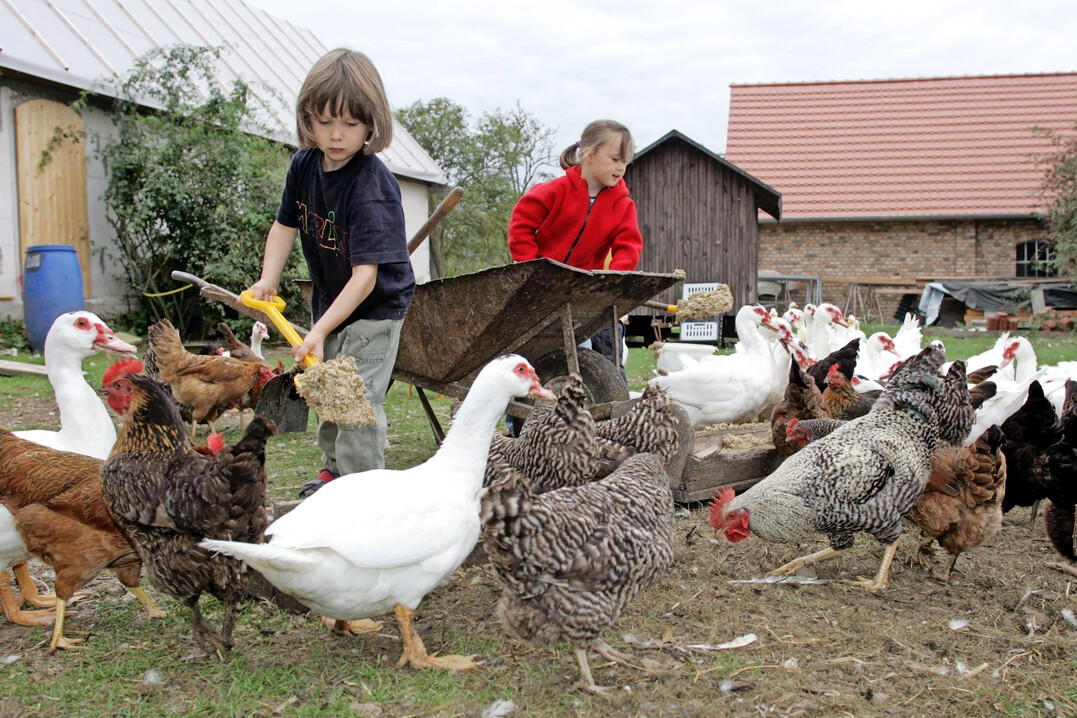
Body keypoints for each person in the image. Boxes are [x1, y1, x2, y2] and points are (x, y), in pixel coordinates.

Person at [247, 48, 414, 499]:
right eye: (324, 122)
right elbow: (284, 226)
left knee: (354, 399)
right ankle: (334, 471)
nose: (336, 135)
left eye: (350, 124)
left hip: (374, 308)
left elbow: (365, 278)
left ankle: (362, 492)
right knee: (326, 386)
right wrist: (268, 279)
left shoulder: (372, 186)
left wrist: (317, 330)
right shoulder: (304, 166)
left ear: (372, 124)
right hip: (331, 300)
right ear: (307, 118)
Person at [508, 119, 641, 381]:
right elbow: (521, 225)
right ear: (589, 155)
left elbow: (629, 245)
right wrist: (534, 267)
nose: (620, 167)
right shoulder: (554, 191)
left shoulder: (622, 205)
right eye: (614, 158)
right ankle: (521, 418)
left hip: (583, 290)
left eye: (625, 161)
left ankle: (585, 400)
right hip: (541, 286)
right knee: (534, 351)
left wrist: (612, 280)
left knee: (582, 351)